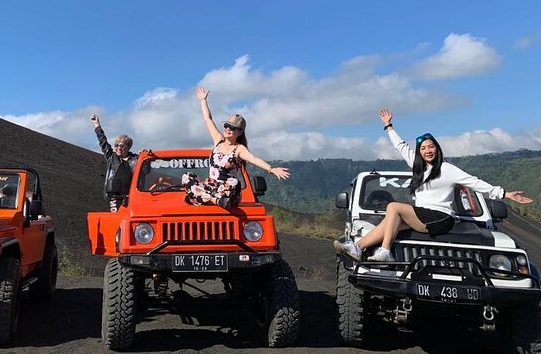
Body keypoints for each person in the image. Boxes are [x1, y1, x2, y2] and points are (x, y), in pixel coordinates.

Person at [334, 108, 533, 262]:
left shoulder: (447, 169)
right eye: (423, 148)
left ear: (437, 149)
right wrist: (389, 126)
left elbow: (475, 183)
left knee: (393, 207)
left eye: (431, 147)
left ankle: (385, 251)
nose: (428, 151)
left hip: (441, 217)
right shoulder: (418, 168)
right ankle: (358, 247)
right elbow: (401, 146)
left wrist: (505, 193)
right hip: (423, 215)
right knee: (390, 222)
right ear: (419, 152)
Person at [186, 87, 290, 208]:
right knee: (188, 176)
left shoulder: (239, 149)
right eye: (226, 125)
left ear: (240, 132)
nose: (228, 129)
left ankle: (201, 197)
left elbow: (253, 159)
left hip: (227, 192)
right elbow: (208, 119)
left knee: (234, 183)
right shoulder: (218, 140)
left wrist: (271, 169)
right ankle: (213, 200)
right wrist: (203, 101)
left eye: (233, 128)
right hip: (211, 188)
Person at [90, 114, 138, 212]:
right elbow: (102, 141)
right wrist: (97, 125)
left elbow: (146, 170)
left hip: (131, 197)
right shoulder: (111, 157)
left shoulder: (135, 159)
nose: (119, 148)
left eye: (122, 145)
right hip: (114, 197)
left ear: (128, 147)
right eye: (117, 145)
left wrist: (145, 153)